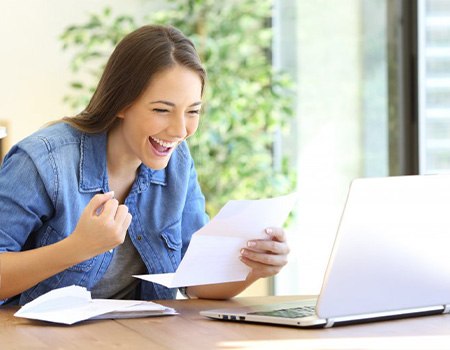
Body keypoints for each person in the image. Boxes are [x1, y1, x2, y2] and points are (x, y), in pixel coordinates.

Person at [0, 25, 290, 305]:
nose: (180, 129)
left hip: (138, 335)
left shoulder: (177, 163)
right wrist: (77, 248)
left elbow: (196, 279)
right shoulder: (43, 161)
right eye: (162, 110)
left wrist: (256, 267)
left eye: (192, 111)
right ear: (122, 103)